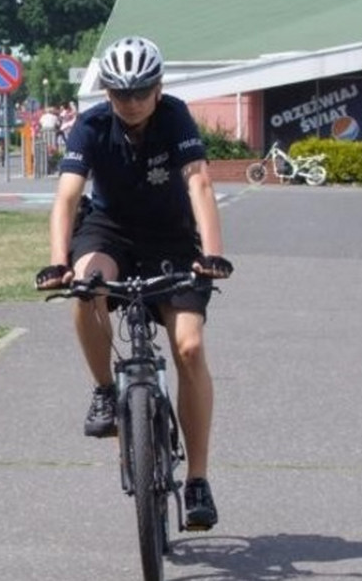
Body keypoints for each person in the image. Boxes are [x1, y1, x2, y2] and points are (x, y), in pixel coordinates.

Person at [34, 36, 233, 532]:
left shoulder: (175, 117)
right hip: (111, 231)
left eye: (141, 91)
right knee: (86, 285)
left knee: (188, 346)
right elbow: (66, 198)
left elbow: (199, 182)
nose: (132, 102)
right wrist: (58, 260)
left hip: (170, 236)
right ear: (106, 93)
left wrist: (212, 253)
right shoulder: (91, 125)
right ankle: (104, 389)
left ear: (159, 87)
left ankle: (199, 481)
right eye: (120, 93)